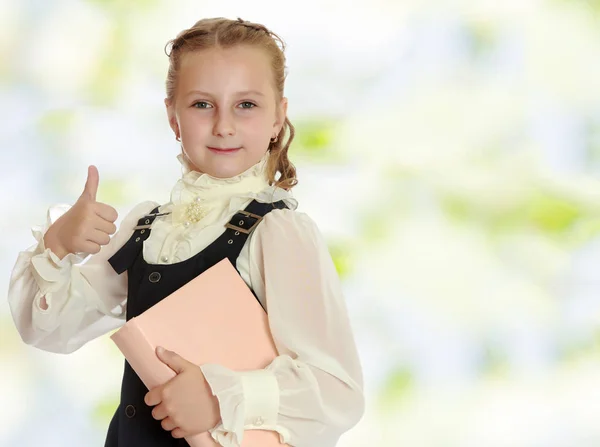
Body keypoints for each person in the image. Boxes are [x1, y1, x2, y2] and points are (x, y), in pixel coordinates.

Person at [8, 17, 365, 447]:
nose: (224, 126)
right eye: (202, 105)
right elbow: (49, 330)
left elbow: (337, 391)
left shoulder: (280, 232)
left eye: (246, 105)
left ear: (278, 117)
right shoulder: (146, 228)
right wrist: (57, 247)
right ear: (173, 117)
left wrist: (221, 398)